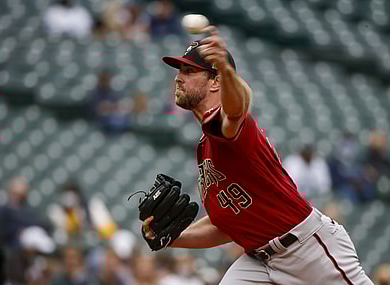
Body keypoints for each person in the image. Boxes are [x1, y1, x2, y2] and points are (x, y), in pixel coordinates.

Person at [143, 25, 373, 284]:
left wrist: (227, 71)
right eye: (179, 70)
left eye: (189, 70)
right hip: (259, 260)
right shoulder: (206, 146)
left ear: (216, 81)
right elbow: (224, 226)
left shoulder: (233, 128)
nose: (178, 77)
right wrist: (173, 238)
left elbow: (237, 107)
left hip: (305, 249)